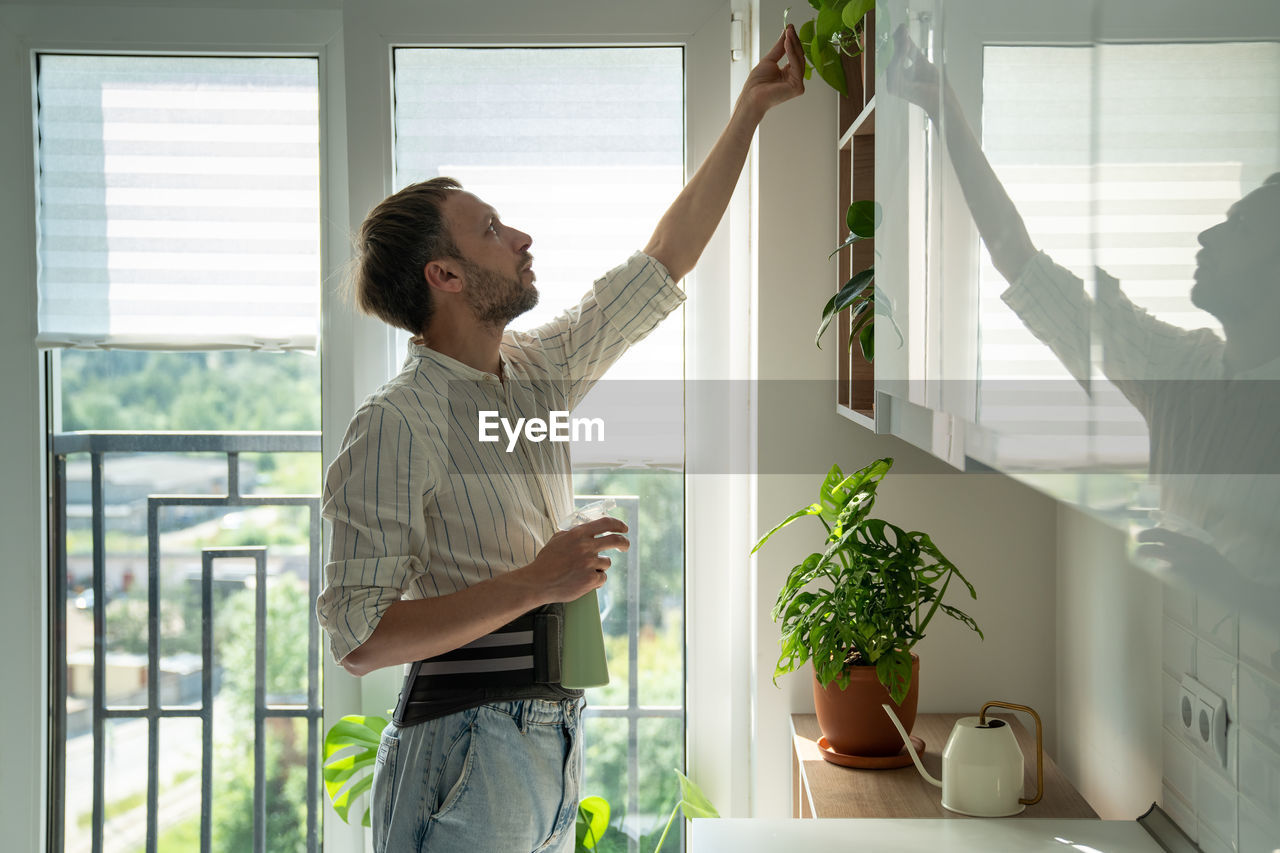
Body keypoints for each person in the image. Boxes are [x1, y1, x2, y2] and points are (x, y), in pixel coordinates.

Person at [316, 26, 807, 853]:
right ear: (446, 276)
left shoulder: (534, 369)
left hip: (547, 739)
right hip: (465, 743)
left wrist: (751, 110)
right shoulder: (399, 422)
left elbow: (663, 260)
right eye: (491, 229)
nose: (521, 237)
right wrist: (538, 577)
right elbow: (359, 637)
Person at [886, 26, 1280, 617]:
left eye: (1241, 226)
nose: (1207, 233)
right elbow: (1020, 261)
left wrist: (1235, 588)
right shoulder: (1182, 366)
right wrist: (945, 112)